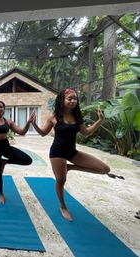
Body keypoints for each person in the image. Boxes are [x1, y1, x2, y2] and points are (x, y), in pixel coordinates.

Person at [30, 88, 110, 221]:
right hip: (57, 153)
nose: (73, 101)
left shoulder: (77, 118)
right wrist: (34, 125)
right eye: (70, 98)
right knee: (61, 180)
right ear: (62, 100)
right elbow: (44, 133)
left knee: (104, 169)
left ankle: (70, 167)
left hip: (72, 152)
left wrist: (100, 121)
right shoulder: (54, 117)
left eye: (75, 99)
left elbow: (86, 133)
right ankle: (63, 206)